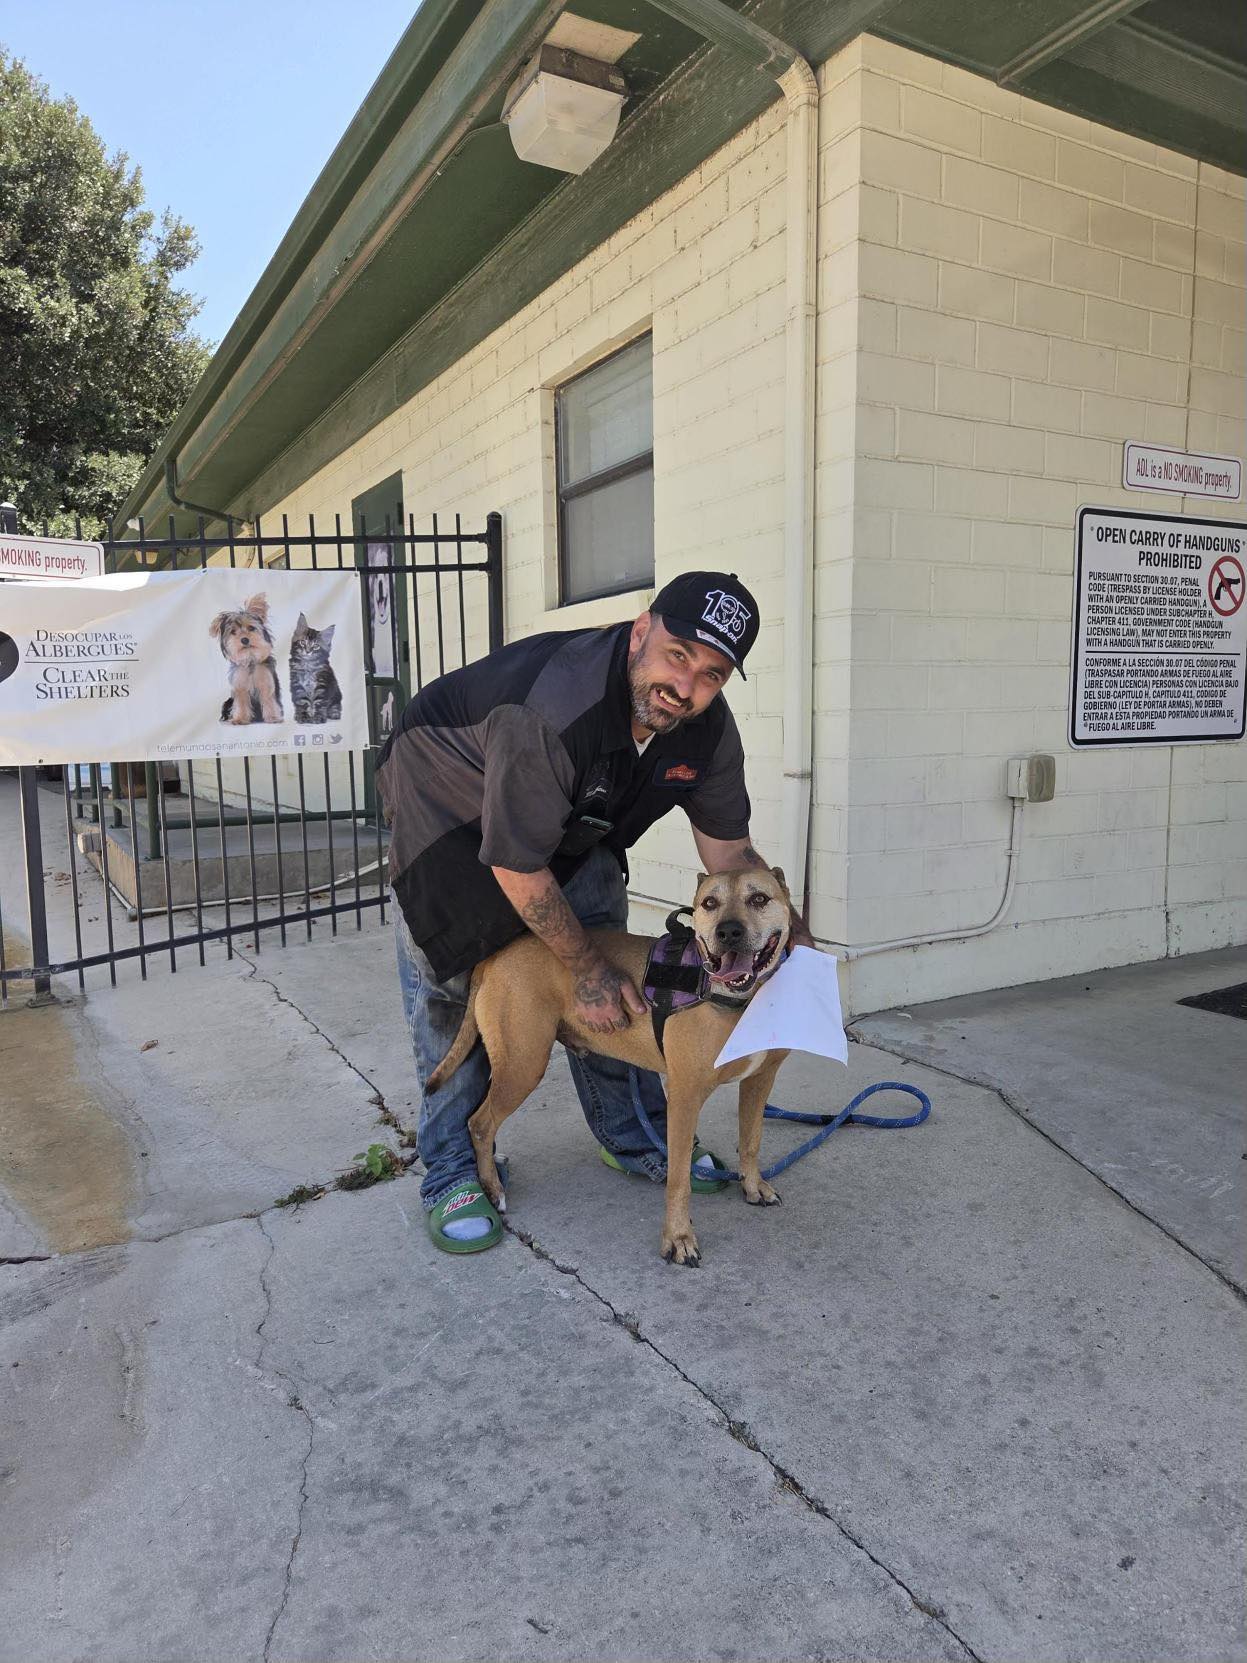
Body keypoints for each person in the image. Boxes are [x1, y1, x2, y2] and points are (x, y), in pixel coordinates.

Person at [376, 570, 810, 1254]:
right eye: (677, 654)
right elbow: (516, 865)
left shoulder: (705, 732)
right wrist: (581, 969)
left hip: (574, 821)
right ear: (641, 629)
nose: (688, 685)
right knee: (452, 983)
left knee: (620, 978)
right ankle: (454, 1169)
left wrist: (788, 930)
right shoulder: (552, 706)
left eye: (712, 673)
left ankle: (629, 1133)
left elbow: (729, 852)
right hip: (446, 813)